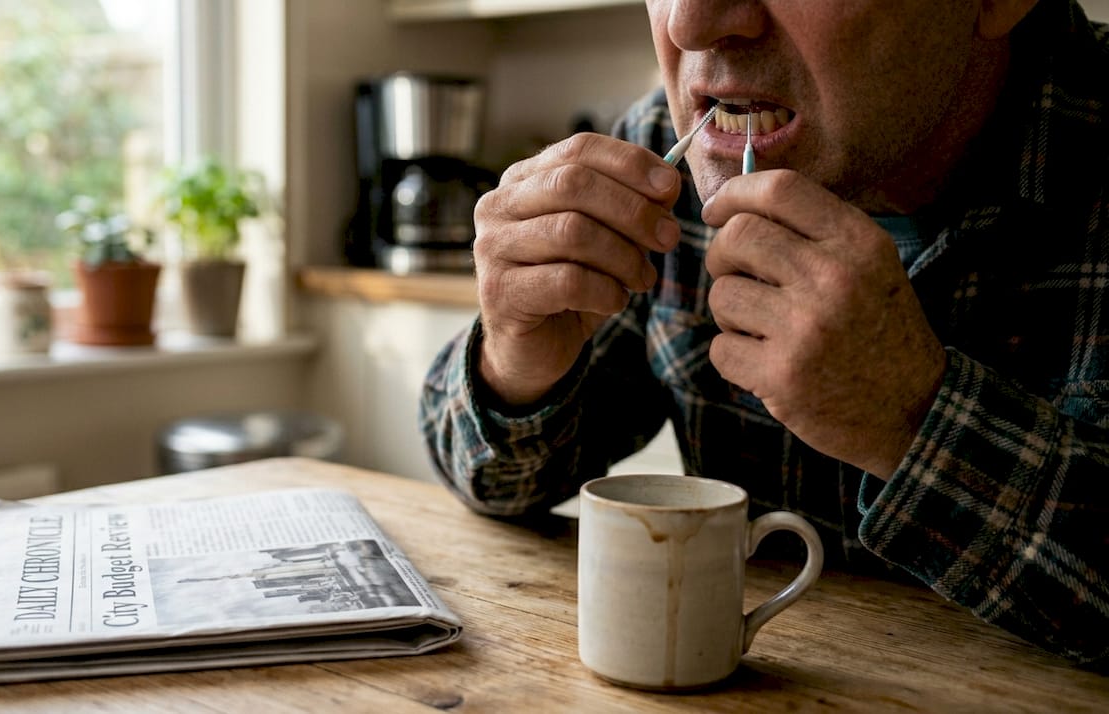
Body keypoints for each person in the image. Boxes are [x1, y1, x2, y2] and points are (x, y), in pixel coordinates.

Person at [418, 0, 1109, 666]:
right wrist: (514, 359)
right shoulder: (665, 152)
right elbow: (494, 482)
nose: (690, 22)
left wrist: (913, 417)